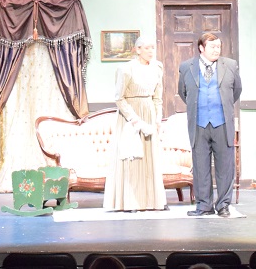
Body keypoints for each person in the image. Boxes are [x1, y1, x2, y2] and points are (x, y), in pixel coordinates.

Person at [177, 32, 242, 217]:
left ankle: (223, 205)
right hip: (199, 124)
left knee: (225, 166)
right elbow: (183, 92)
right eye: (212, 47)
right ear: (201, 48)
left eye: (219, 46)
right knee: (200, 167)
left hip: (222, 123)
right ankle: (204, 206)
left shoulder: (230, 65)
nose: (217, 50)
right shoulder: (186, 67)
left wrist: (221, 106)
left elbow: (237, 90)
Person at [103, 35, 167, 212]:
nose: (151, 51)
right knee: (132, 157)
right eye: (147, 48)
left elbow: (158, 97)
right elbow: (119, 97)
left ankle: (151, 201)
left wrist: (158, 118)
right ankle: (131, 202)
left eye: (152, 47)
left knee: (149, 157)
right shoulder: (126, 69)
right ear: (138, 50)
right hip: (130, 116)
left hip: (149, 113)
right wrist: (133, 118)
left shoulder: (157, 67)